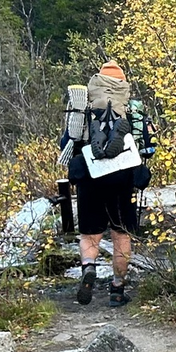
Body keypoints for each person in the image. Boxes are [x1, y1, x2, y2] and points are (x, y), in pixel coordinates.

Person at [61, 59, 152, 306]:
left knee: (90, 235)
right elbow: (147, 147)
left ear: (97, 80)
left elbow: (66, 145)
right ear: (122, 82)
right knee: (121, 235)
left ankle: (89, 268)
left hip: (90, 176)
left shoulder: (83, 107)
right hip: (122, 177)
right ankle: (117, 289)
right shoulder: (132, 109)